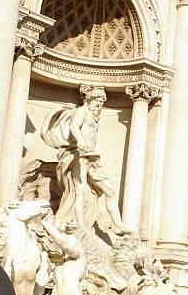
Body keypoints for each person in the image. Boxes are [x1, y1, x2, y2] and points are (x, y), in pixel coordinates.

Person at [40, 86, 132, 234]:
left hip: (92, 157)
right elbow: (74, 126)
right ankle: (80, 224)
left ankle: (118, 225)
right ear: (90, 99)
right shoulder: (82, 111)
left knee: (110, 191)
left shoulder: (95, 116)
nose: (100, 105)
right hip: (80, 155)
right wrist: (81, 141)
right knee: (80, 190)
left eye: (102, 102)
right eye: (98, 101)